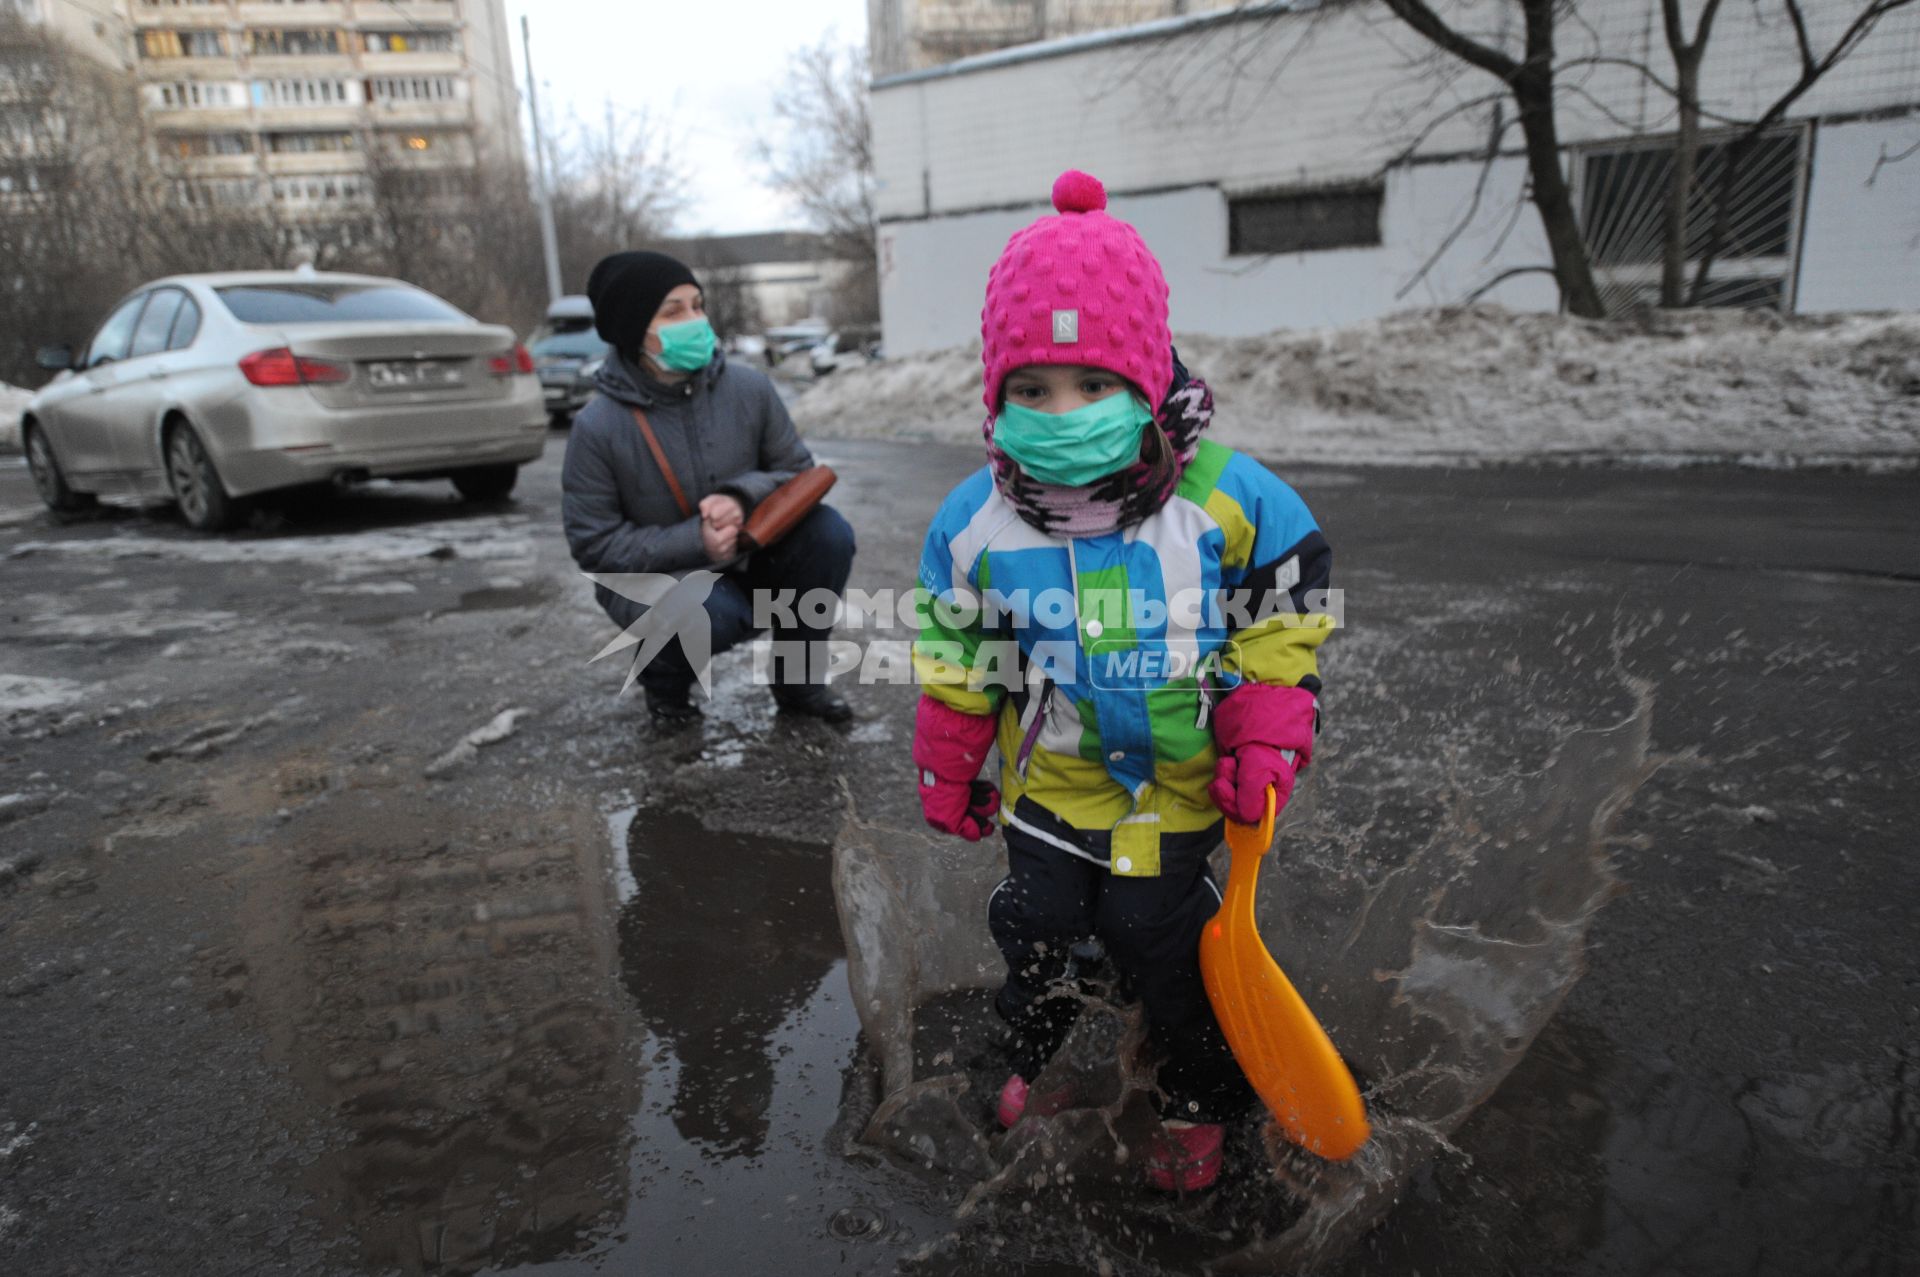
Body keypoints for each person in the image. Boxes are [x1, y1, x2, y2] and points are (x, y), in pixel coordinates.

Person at [909, 172, 1335, 1192]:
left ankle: (1198, 1097)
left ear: (1146, 377)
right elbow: (959, 641)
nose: (1064, 413)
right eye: (1034, 389)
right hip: (1054, 779)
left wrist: (1266, 721)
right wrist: (953, 753)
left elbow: (1284, 608)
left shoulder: (1224, 496)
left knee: (1164, 942)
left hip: (1180, 780)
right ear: (997, 392)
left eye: (1094, 385)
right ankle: (1031, 1041)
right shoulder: (979, 517)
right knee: (1032, 920)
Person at [562, 250, 855, 727]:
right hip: (665, 577)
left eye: (697, 305)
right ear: (633, 327)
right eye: (673, 311)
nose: (694, 320)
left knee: (828, 534)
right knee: (701, 611)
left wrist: (741, 497)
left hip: (750, 550)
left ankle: (797, 680)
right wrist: (693, 540)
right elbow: (594, 545)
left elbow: (798, 474)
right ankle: (666, 686)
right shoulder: (598, 427)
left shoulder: (748, 389)